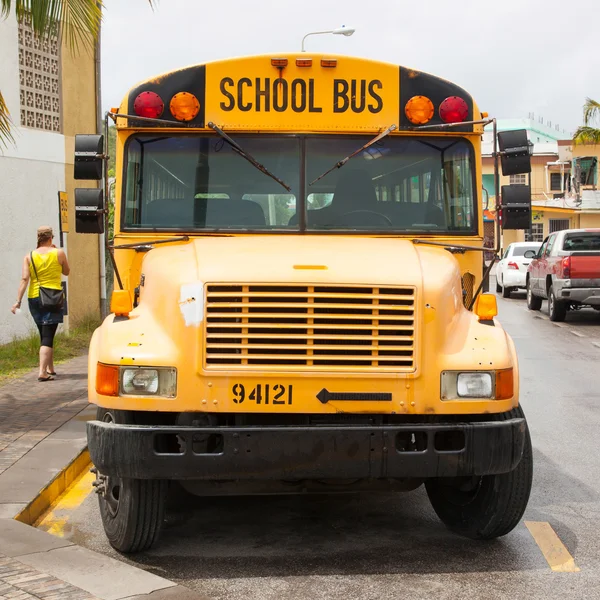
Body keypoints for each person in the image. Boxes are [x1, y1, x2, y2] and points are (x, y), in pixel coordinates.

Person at [11, 226, 70, 381]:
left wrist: (18, 301)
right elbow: (66, 271)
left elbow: (24, 279)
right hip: (52, 297)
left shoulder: (29, 256)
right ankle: (42, 372)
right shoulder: (59, 253)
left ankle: (50, 368)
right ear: (51, 238)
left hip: (34, 297)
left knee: (44, 333)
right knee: (48, 335)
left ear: (38, 238)